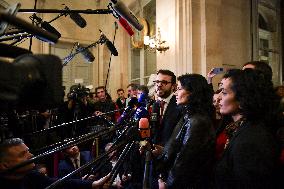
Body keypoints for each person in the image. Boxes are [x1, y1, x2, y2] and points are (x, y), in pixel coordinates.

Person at [215, 69, 280, 188]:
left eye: (224, 92)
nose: (218, 98)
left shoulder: (251, 139)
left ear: (242, 99)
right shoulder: (237, 127)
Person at [154, 74, 215, 188]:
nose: (176, 93)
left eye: (179, 89)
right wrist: (163, 151)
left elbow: (184, 160)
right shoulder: (189, 116)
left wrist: (167, 184)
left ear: (193, 92)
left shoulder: (197, 121)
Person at [0, 138, 110, 189]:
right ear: (5, 165)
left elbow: (60, 184)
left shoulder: (31, 176)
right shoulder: (62, 165)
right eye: (22, 154)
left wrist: (91, 184)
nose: (31, 156)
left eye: (28, 151)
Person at [152, 70, 182, 146]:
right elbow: (154, 126)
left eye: (164, 82)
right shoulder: (155, 105)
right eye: (157, 82)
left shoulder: (179, 104)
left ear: (174, 86)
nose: (159, 85)